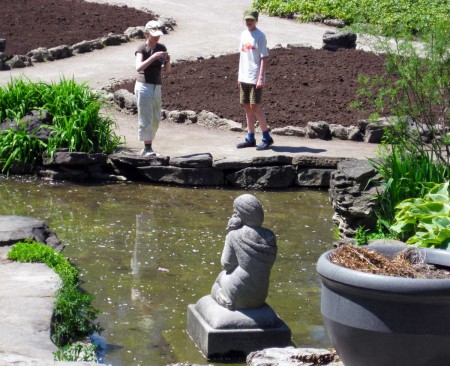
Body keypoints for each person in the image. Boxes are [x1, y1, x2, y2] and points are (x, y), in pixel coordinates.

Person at [211, 194, 277, 310]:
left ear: (242, 214)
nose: (234, 214)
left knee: (219, 279)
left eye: (236, 212)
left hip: (238, 290)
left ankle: (221, 297)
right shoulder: (270, 236)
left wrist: (229, 233)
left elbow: (226, 264)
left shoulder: (234, 235)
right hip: (260, 294)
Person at [236, 8, 274, 151]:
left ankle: (266, 137)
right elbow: (242, 56)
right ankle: (250, 137)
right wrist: (239, 77)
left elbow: (264, 57)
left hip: (255, 77)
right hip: (244, 76)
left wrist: (260, 78)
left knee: (256, 107)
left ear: (256, 20)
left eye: (251, 19)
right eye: (247, 19)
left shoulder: (260, 36)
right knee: (246, 106)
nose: (249, 22)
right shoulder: (243, 34)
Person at [135, 20, 171, 157]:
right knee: (145, 116)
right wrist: (153, 57)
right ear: (147, 33)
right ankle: (148, 147)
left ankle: (147, 147)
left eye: (158, 34)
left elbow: (167, 70)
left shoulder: (161, 47)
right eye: (154, 34)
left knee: (156, 117)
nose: (157, 37)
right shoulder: (141, 48)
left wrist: (167, 61)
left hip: (156, 86)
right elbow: (138, 68)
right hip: (143, 85)